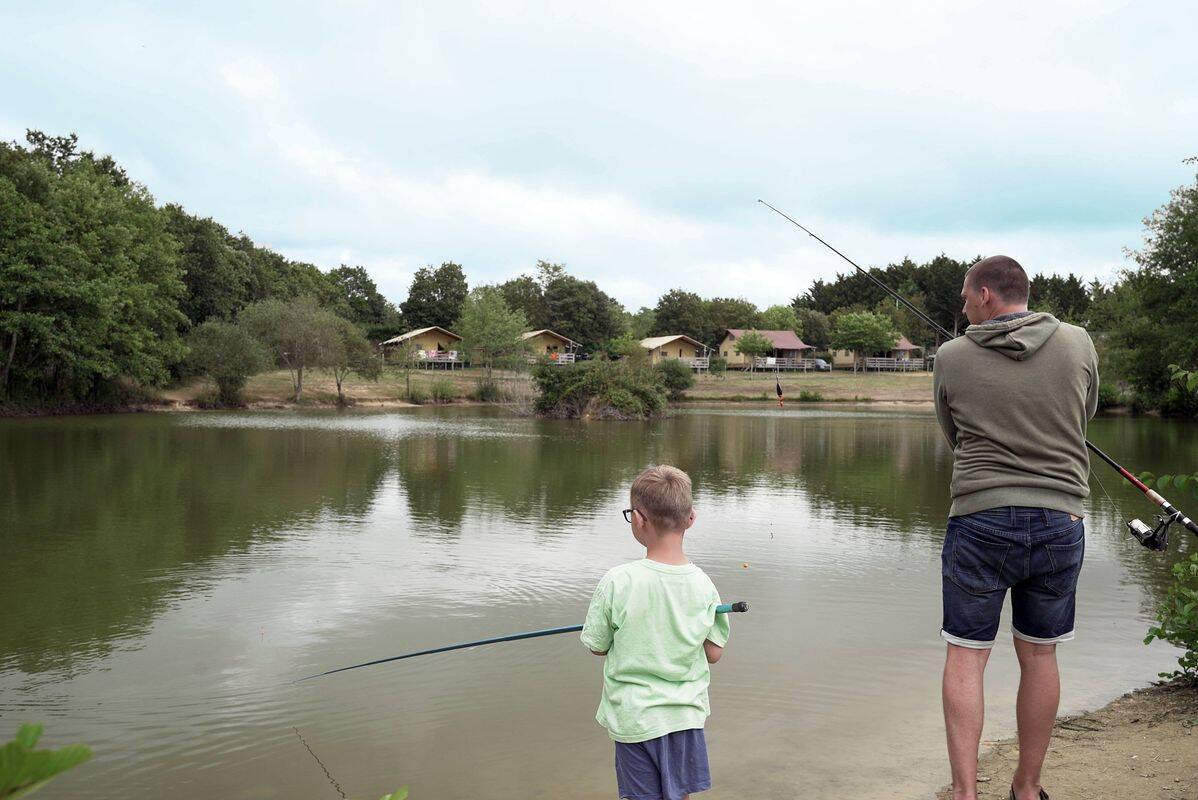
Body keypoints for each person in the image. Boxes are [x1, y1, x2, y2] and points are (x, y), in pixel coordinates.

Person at [933, 256, 1100, 800]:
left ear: (985, 294)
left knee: (966, 655)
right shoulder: (1079, 342)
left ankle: (964, 793)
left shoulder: (951, 356)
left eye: (964, 297)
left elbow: (952, 433)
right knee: (1040, 653)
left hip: (980, 519)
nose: (961, 308)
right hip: (1060, 518)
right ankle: (1027, 787)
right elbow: (1084, 414)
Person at [581, 465, 730, 800]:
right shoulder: (704, 585)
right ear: (691, 518)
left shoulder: (617, 581)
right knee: (680, 796)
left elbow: (597, 646)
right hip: (685, 716)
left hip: (635, 719)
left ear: (637, 518)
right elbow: (714, 653)